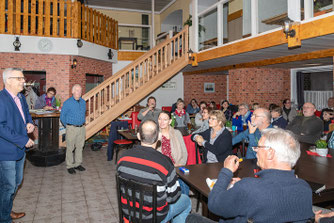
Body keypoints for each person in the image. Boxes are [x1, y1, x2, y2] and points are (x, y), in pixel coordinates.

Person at [187, 128, 315, 223]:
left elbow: (214, 205)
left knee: (191, 218)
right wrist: (242, 187)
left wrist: (226, 171)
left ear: (270, 153)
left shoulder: (249, 187)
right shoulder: (304, 188)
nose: (256, 151)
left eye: (258, 147)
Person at [117, 119, 191, 223]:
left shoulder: (122, 158)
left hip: (129, 214)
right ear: (159, 136)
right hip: (154, 218)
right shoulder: (164, 163)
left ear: (138, 136)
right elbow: (173, 197)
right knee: (186, 201)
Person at [0, 68, 35, 222]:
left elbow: (26, 113)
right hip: (6, 152)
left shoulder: (20, 97)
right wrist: (23, 140)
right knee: (8, 187)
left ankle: (6, 210)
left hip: (20, 151)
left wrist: (29, 123)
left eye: (23, 78)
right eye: (19, 78)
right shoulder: (1, 99)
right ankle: (4, 218)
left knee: (15, 184)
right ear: (8, 80)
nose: (23, 81)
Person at [157, 111, 189, 194]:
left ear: (170, 121)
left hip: (178, 166)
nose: (162, 122)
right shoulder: (155, 134)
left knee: (184, 187)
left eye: (165, 119)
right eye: (160, 119)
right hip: (162, 169)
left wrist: (180, 165)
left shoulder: (177, 133)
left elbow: (184, 152)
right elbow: (154, 156)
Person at [60, 84, 86, 174]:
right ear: (72, 92)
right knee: (70, 147)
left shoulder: (83, 102)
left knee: (80, 147)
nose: (79, 92)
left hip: (81, 128)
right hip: (71, 128)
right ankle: (70, 165)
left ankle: (78, 164)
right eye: (77, 90)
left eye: (80, 90)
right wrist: (67, 126)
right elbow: (62, 116)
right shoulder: (67, 103)